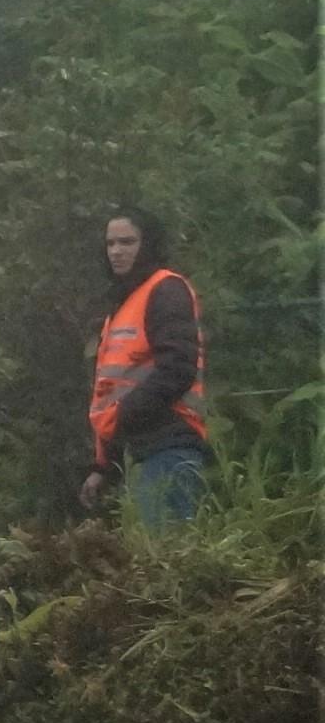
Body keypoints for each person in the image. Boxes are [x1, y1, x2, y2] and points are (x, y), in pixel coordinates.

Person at [81, 206, 212, 529]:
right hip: (142, 450)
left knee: (166, 559)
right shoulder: (125, 304)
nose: (116, 251)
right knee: (154, 563)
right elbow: (114, 391)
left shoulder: (165, 289)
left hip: (169, 445)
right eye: (110, 244)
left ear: (148, 244)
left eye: (127, 242)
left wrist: (125, 415)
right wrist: (103, 467)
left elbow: (179, 368)